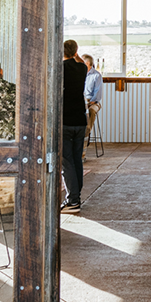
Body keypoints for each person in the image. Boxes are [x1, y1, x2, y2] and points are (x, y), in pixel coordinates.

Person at [61, 40, 88, 212]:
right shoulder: (82, 68)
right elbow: (81, 62)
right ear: (76, 51)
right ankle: (77, 196)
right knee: (77, 159)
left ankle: (73, 201)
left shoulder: (59, 69)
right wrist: (75, 55)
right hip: (80, 118)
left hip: (65, 119)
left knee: (67, 161)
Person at [83, 54, 103, 154]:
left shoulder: (96, 75)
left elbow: (97, 94)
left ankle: (87, 132)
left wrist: (90, 102)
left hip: (93, 102)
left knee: (91, 111)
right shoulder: (78, 74)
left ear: (88, 64)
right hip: (81, 101)